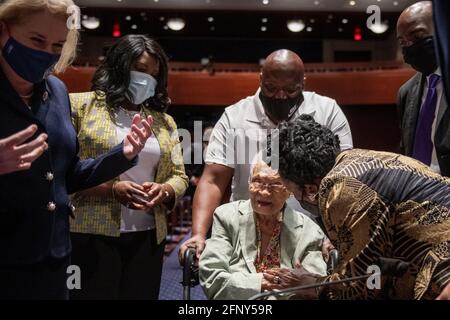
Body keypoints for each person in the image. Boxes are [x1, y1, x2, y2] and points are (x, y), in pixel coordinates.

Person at [0, 0, 153, 300]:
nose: (47, 53)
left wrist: (122, 154)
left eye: (58, 44)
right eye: (37, 40)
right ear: (3, 31)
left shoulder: (56, 90)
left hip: (54, 259)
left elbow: (66, 176)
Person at [180, 49, 353, 261]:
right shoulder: (235, 117)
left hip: (311, 231)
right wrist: (198, 234)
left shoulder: (326, 110)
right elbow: (213, 179)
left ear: (303, 83)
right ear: (261, 79)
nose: (280, 96)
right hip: (249, 229)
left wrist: (335, 232)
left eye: (290, 90)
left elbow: (342, 178)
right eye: (271, 88)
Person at [275, 114, 450, 300]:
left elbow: (360, 287)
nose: (294, 197)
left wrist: (314, 286)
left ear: (310, 189)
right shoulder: (357, 158)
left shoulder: (340, 188)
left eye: (292, 191)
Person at [69, 35, 188, 300]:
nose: (148, 80)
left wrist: (166, 190)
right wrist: (113, 190)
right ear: (120, 66)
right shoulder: (79, 106)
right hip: (89, 233)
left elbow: (179, 176)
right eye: (141, 70)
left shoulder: (163, 121)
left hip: (147, 237)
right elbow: (63, 172)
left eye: (155, 74)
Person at [199, 161, 326, 300]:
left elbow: (315, 286)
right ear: (249, 185)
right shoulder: (227, 217)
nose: (264, 192)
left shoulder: (309, 230)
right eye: (257, 181)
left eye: (275, 184)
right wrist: (261, 282)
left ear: (289, 190)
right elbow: (212, 277)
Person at [397, 1, 449, 176]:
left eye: (418, 37)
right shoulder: (406, 92)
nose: (410, 46)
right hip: (416, 194)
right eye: (403, 42)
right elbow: (406, 149)